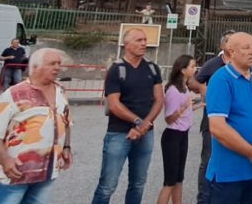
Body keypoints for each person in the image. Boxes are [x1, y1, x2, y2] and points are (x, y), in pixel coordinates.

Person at [0, 48, 72, 204]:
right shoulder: (14, 94)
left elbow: (67, 122)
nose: (57, 67)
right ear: (35, 66)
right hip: (15, 173)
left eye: (59, 63)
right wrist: (5, 160)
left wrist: (66, 147)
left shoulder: (60, 92)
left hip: (47, 173)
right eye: (52, 64)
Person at [205, 32, 252, 204]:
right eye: (246, 48)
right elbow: (217, 128)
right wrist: (251, 152)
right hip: (229, 175)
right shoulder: (221, 79)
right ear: (231, 52)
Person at [91, 28, 165, 204]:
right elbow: (114, 104)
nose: (144, 43)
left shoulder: (153, 68)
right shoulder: (117, 69)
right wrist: (139, 122)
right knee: (107, 185)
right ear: (127, 44)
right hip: (119, 133)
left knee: (138, 184)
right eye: (139, 40)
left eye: (145, 40)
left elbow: (159, 100)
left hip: (146, 134)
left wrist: (144, 125)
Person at [188, 29, 236, 204]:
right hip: (212, 123)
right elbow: (192, 81)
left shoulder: (242, 65)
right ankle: (204, 198)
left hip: (235, 123)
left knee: (232, 160)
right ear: (222, 45)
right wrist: (202, 88)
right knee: (209, 160)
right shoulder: (213, 64)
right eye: (230, 41)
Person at [158, 55, 204, 204]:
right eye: (192, 66)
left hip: (183, 135)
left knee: (179, 179)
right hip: (172, 136)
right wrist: (183, 108)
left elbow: (185, 110)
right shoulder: (173, 90)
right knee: (170, 181)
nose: (195, 69)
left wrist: (199, 105)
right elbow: (169, 118)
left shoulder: (184, 88)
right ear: (183, 70)